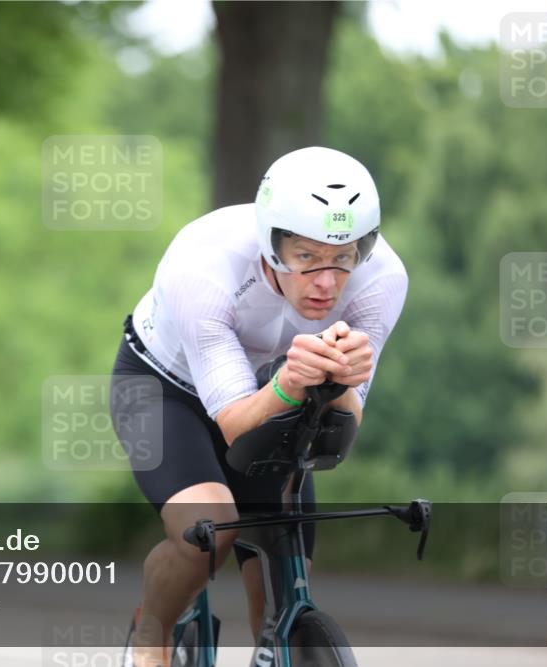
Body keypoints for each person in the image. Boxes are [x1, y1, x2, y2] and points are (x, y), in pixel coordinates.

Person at [110, 147, 407, 667]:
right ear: (271, 244)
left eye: (344, 258)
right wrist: (294, 382)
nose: (326, 282)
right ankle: (150, 645)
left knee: (281, 552)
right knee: (206, 532)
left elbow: (341, 435)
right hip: (165, 386)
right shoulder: (202, 266)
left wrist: (340, 383)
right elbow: (233, 424)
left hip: (276, 383)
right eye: (306, 257)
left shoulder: (382, 279)